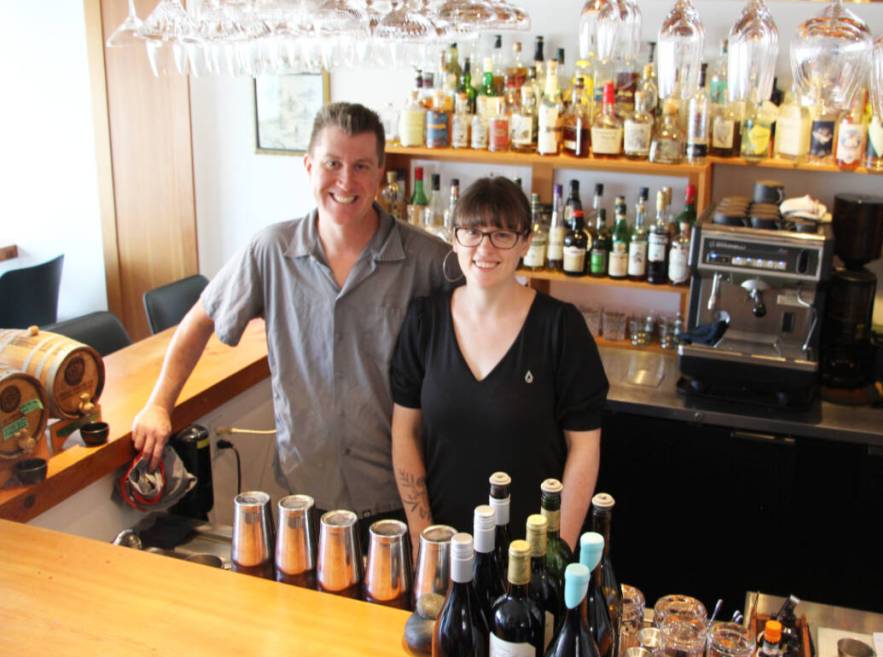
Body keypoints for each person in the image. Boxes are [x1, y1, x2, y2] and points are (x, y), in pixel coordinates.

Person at [131, 102, 451, 535]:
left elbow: (488, 331)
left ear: (380, 173)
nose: (345, 181)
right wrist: (158, 404)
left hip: (401, 499)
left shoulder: (428, 260)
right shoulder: (270, 251)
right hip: (306, 496)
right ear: (308, 166)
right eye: (332, 164)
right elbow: (198, 322)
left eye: (361, 167)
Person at [390, 176, 609, 550]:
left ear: (525, 242)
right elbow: (405, 434)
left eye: (502, 235)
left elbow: (584, 449)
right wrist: (424, 538)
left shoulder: (560, 327)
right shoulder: (424, 321)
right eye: (472, 232)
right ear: (454, 237)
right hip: (446, 547)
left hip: (529, 552)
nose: (484, 248)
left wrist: (557, 550)